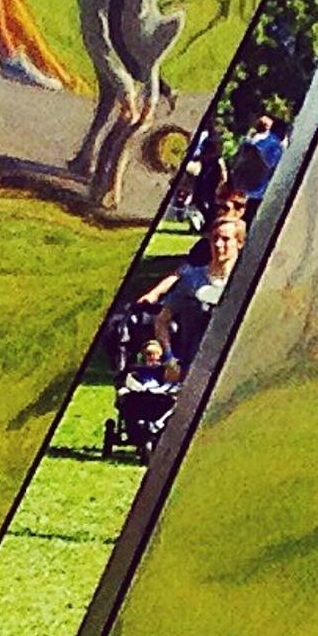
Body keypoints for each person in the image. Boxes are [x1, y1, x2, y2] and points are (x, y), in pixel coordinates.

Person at [106, 193, 249, 458]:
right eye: (215, 239)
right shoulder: (193, 279)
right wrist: (169, 357)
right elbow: (163, 320)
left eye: (226, 240)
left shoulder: (248, 280)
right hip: (196, 362)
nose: (219, 245)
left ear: (239, 243)